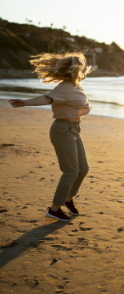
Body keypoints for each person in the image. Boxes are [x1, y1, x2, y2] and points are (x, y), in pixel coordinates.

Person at [9, 52, 92, 221]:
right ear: (75, 70)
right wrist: (25, 102)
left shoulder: (77, 86)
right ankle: (54, 209)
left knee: (83, 169)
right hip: (62, 131)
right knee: (71, 171)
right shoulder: (63, 88)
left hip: (75, 130)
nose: (82, 71)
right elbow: (46, 99)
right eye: (80, 68)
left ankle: (68, 199)